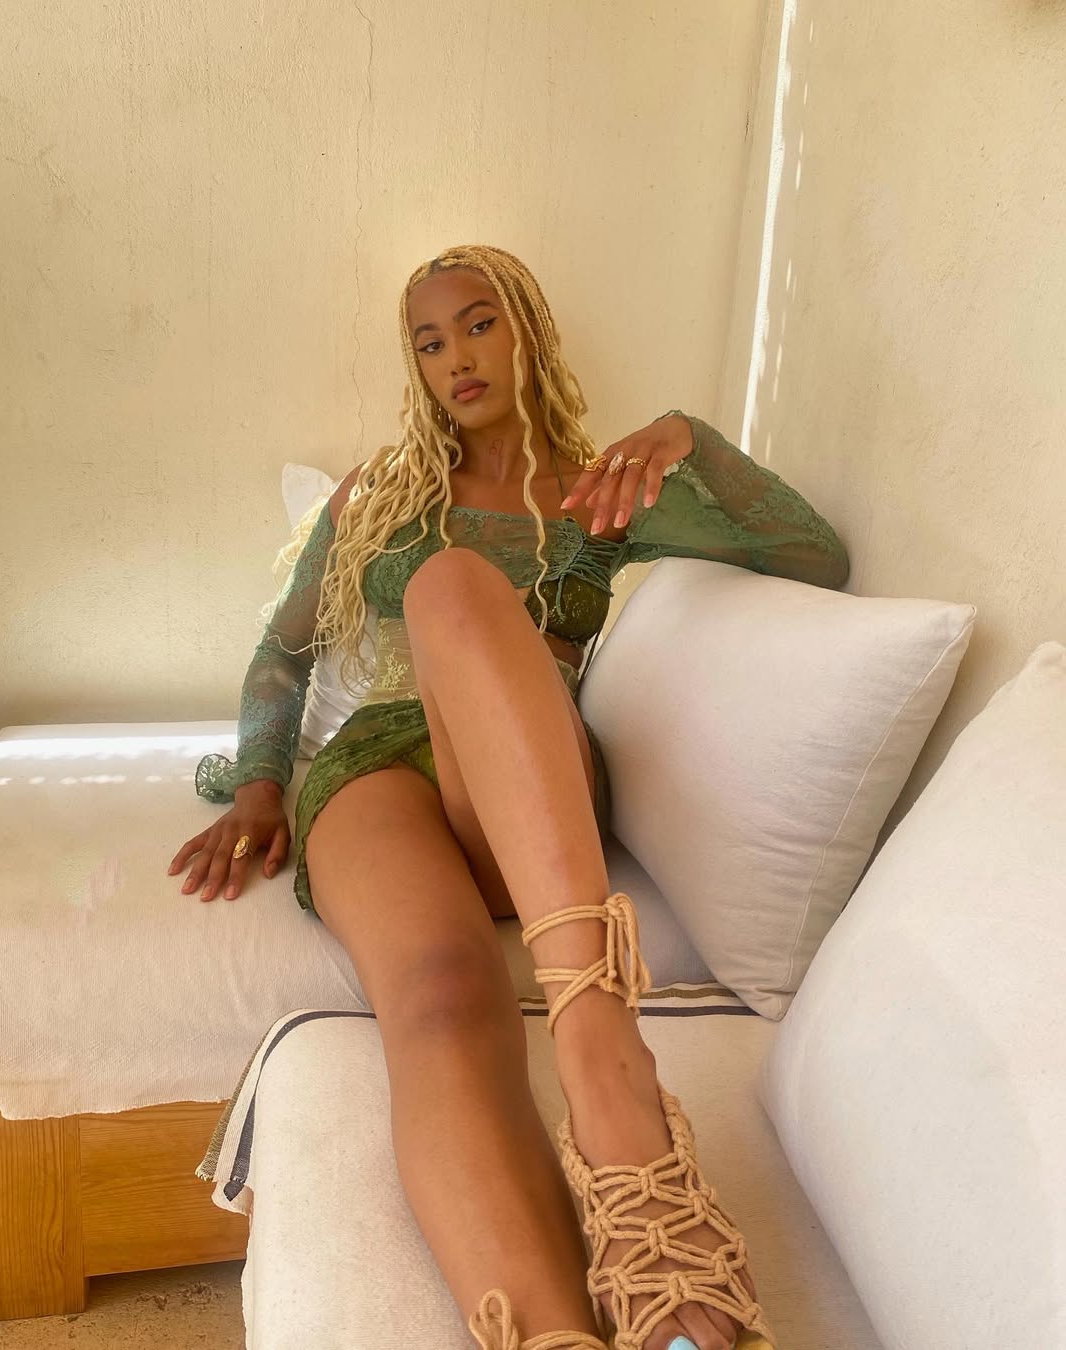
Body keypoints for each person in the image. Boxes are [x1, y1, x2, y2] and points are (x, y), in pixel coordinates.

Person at [169, 244, 848, 1350]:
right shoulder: (380, 494)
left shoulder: (603, 493)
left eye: (480, 323)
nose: (457, 358)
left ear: (529, 328)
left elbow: (813, 556)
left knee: (453, 586)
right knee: (439, 993)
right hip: (376, 769)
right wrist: (258, 785)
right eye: (429, 341)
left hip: (523, 777)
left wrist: (689, 439)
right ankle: (551, 1331)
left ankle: (604, 1066)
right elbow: (282, 652)